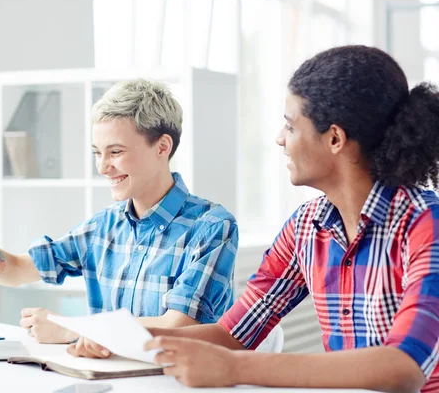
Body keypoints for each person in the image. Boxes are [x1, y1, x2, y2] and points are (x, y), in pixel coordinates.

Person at [144, 45, 439, 393]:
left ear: (334, 138)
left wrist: (235, 367)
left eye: (290, 126)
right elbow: (231, 333)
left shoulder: (424, 224)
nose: (280, 139)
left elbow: (403, 368)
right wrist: (120, 337)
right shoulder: (305, 227)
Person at [0, 79, 238, 358]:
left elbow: (177, 325)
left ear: (162, 147)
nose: (103, 167)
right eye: (97, 153)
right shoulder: (104, 227)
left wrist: (74, 328)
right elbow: (14, 268)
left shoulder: (211, 228)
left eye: (115, 152)